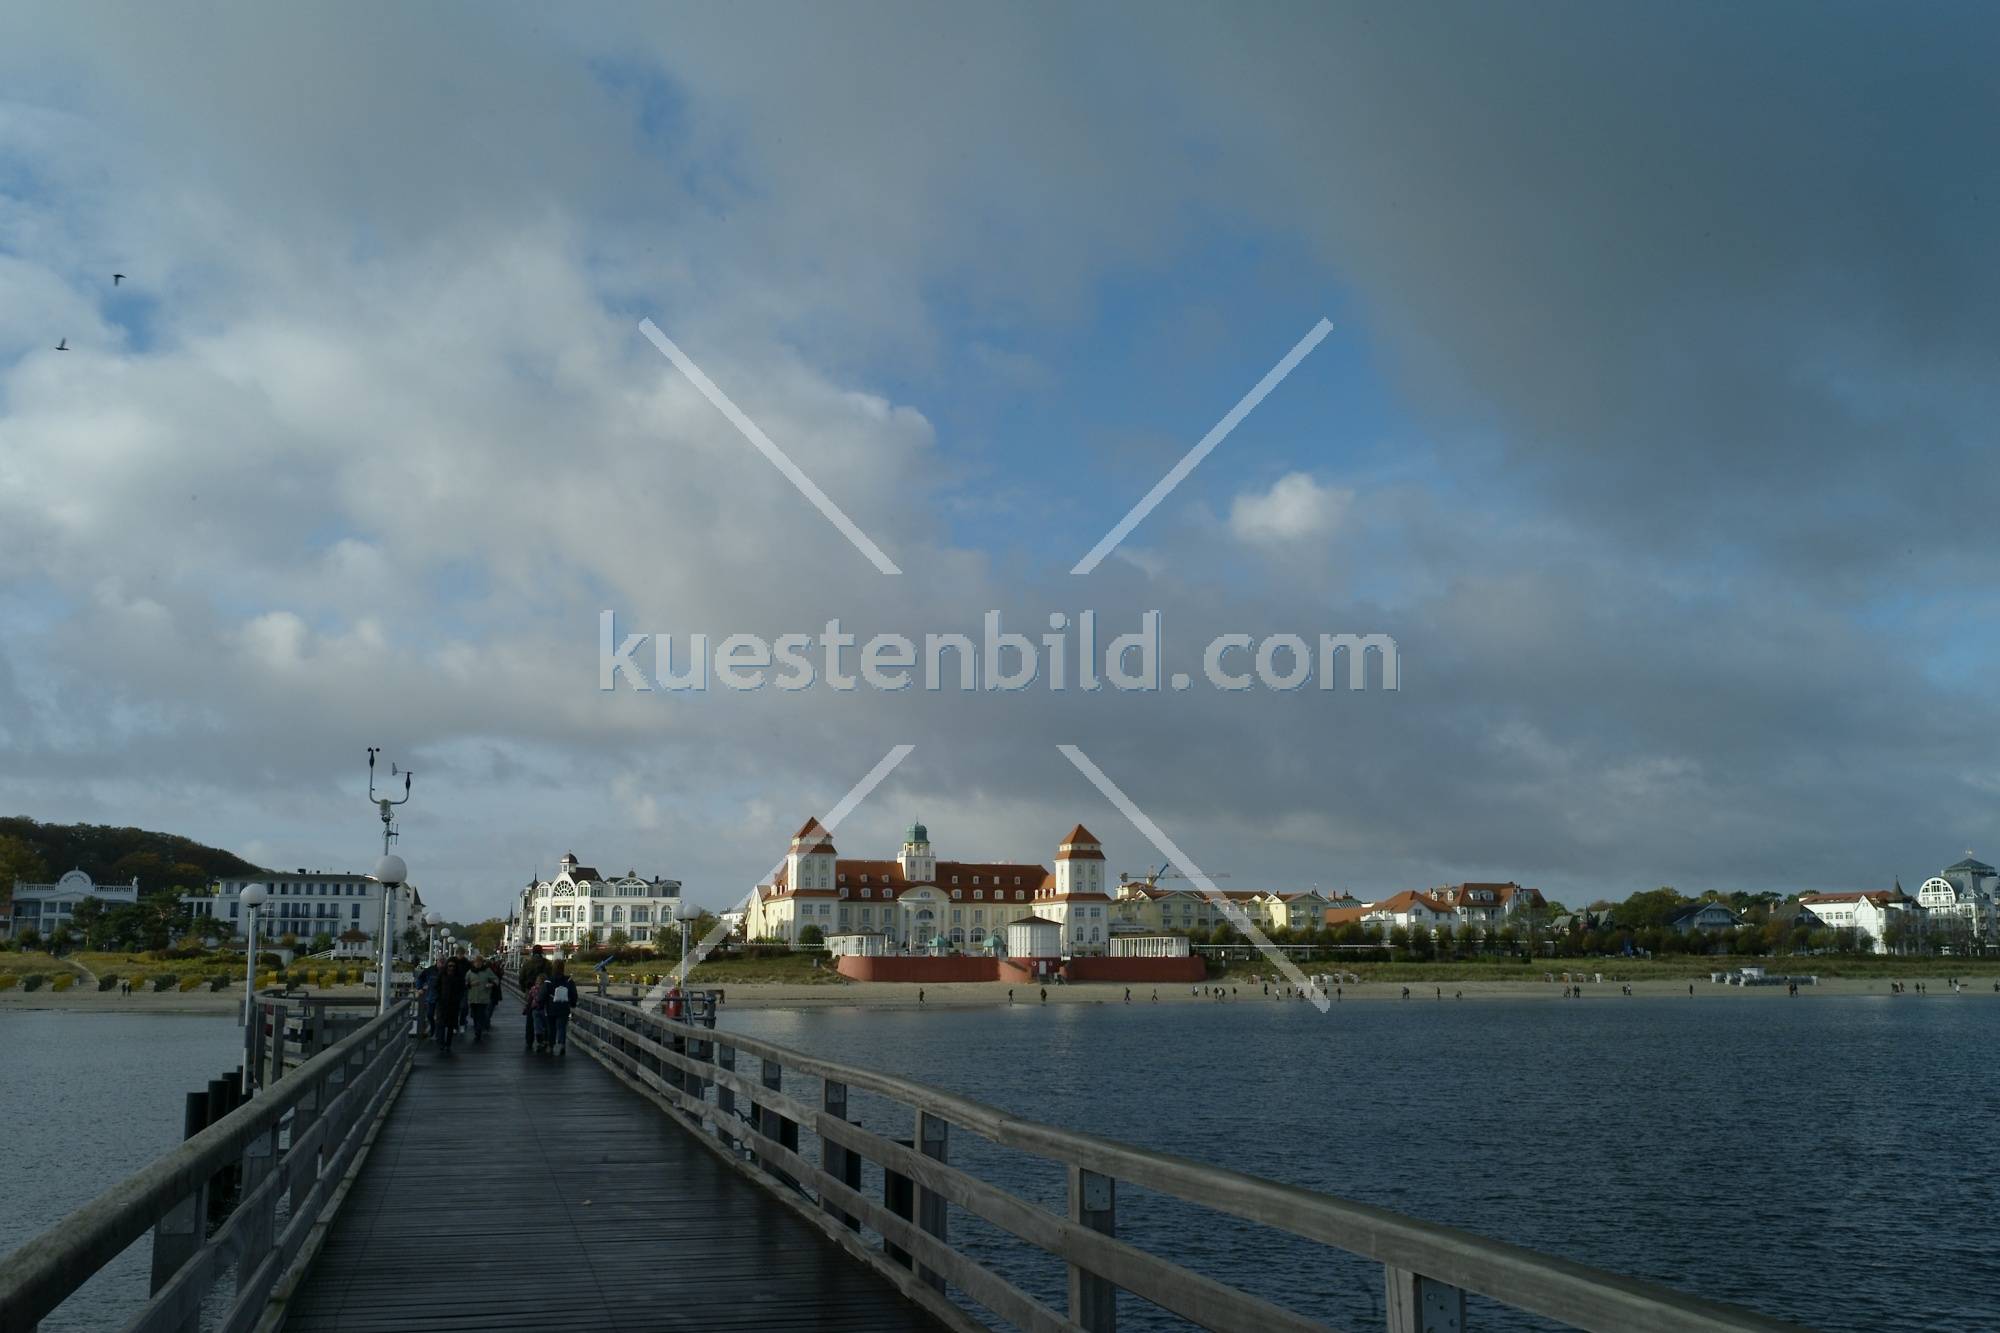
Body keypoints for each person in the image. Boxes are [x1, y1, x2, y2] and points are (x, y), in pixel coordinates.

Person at [435, 955, 468, 1056]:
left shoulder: (459, 976)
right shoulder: (442, 974)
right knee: (441, 1024)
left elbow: (463, 989)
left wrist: (458, 998)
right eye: (449, 966)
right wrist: (439, 997)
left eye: (453, 966)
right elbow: (436, 986)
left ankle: (448, 1044)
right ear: (446, 966)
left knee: (450, 1025)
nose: (451, 968)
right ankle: (441, 1043)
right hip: (442, 1003)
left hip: (454, 1004)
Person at [546, 964, 578, 1054]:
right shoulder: (568, 980)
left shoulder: (549, 980)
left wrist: (541, 1003)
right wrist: (573, 1003)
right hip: (564, 1006)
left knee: (551, 1027)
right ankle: (562, 1044)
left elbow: (544, 992)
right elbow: (573, 993)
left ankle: (551, 1046)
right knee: (561, 1026)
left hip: (551, 1006)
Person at [465, 955, 497, 1042]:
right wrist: (470, 984)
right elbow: (465, 982)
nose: (478, 964)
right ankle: (477, 1029)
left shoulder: (487, 971)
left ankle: (478, 1032)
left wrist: (491, 984)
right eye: (476, 962)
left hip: (483, 997)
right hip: (473, 997)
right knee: (474, 1015)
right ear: (474, 963)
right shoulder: (470, 972)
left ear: (482, 963)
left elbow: (496, 979)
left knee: (481, 1014)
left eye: (479, 962)